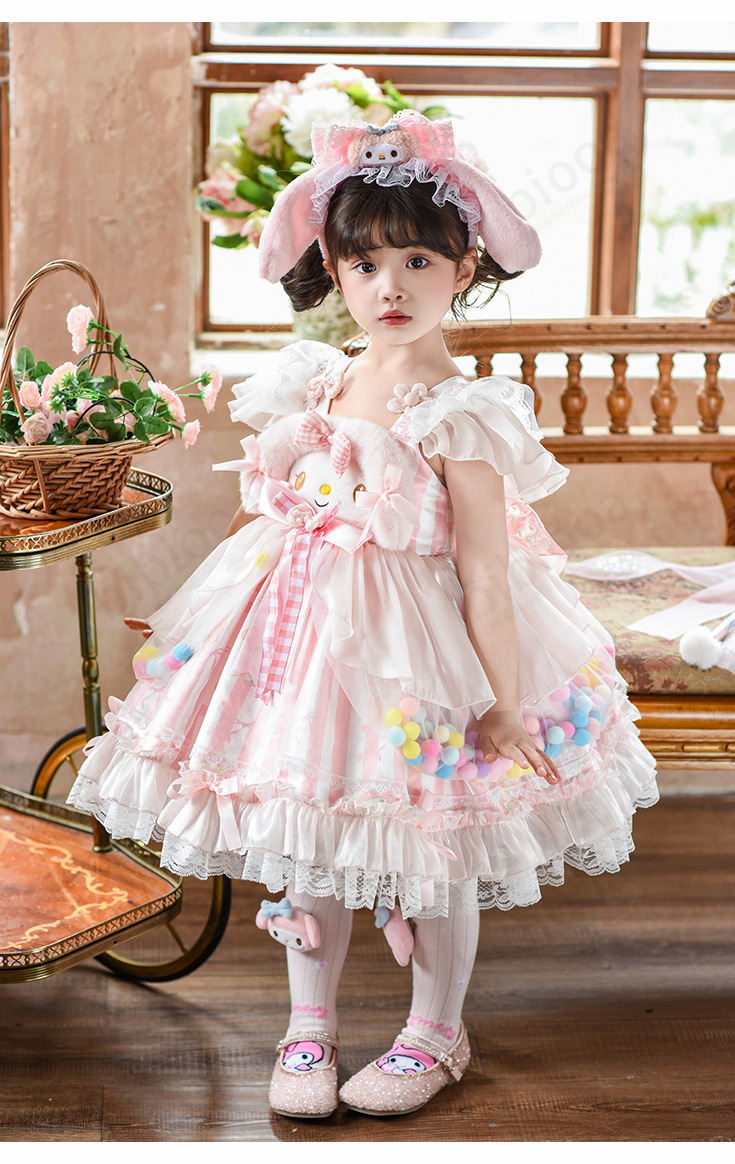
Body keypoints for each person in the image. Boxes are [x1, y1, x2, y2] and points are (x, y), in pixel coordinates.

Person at [68, 111, 657, 1120]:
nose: (391, 287)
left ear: (463, 268)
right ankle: (310, 1023)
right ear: (333, 272)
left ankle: (435, 1029)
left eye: (417, 260)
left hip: (417, 655)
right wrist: (192, 626)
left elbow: (484, 571)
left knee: (434, 846)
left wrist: (500, 701)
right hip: (299, 643)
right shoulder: (318, 380)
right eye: (365, 263)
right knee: (311, 830)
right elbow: (273, 518)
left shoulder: (463, 413)